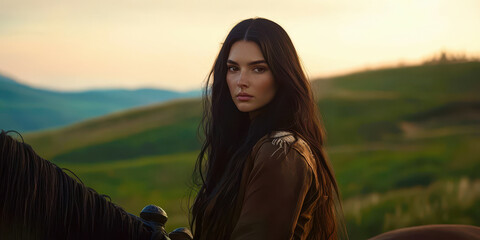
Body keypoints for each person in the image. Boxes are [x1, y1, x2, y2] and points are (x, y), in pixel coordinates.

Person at [190, 18, 346, 240]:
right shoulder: (247, 143)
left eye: (258, 69)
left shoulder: (281, 150)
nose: (241, 81)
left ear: (282, 74)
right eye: (233, 68)